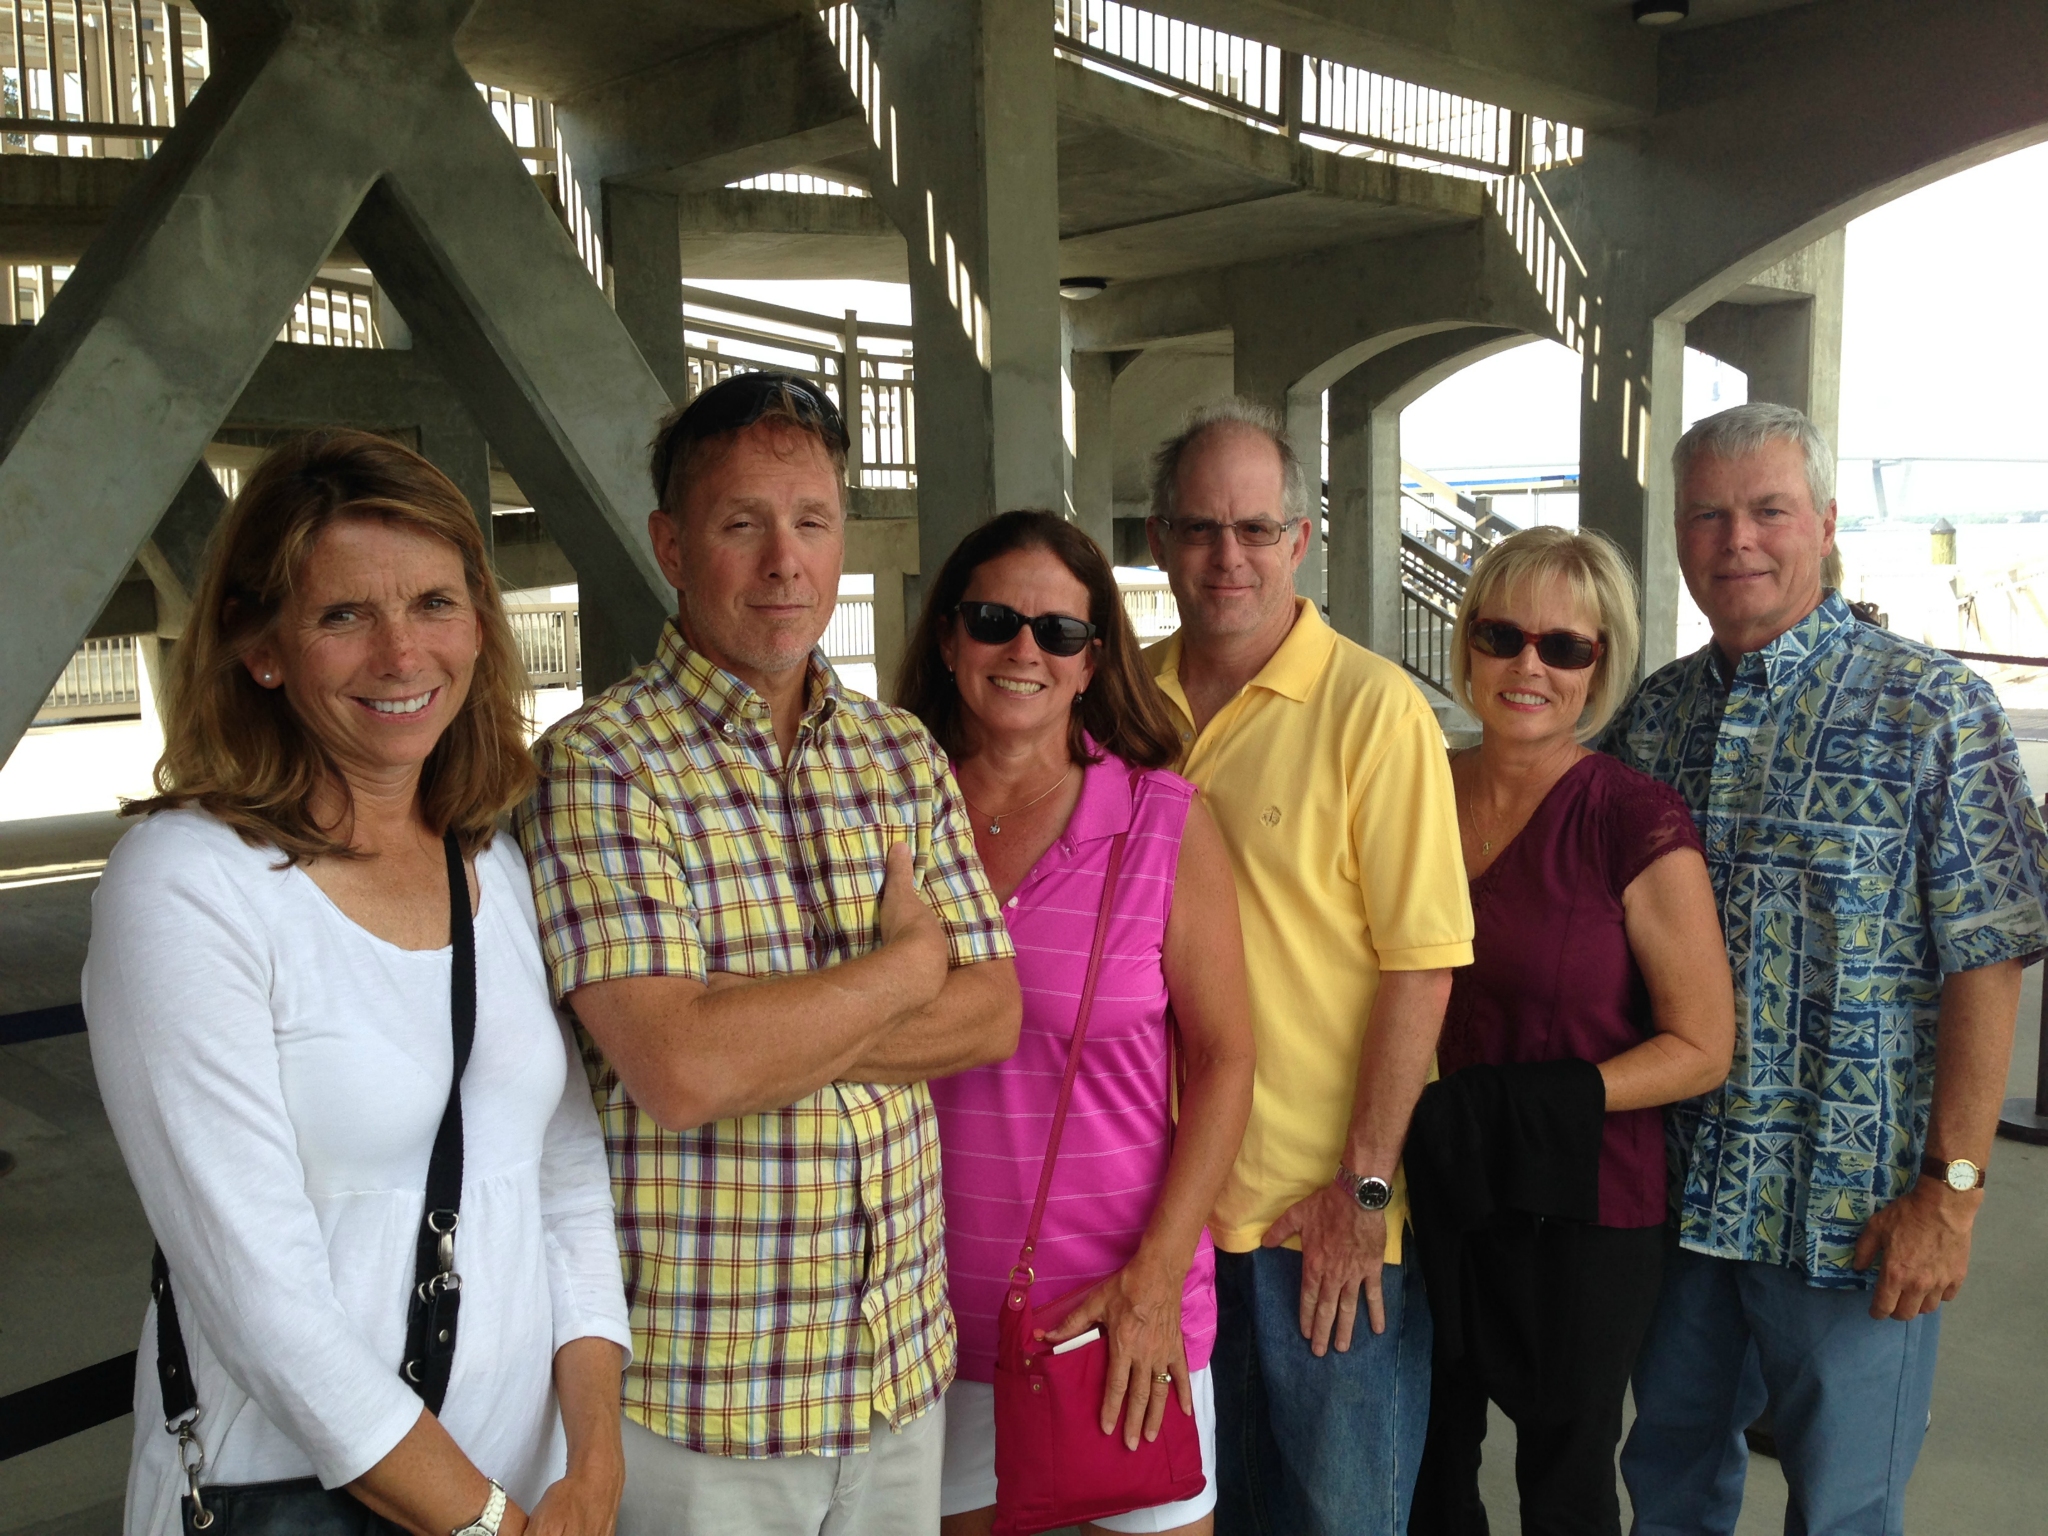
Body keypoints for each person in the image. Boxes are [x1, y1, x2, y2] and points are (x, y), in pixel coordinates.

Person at [85, 430, 632, 1536]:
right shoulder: (190, 884)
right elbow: (261, 1295)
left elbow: (563, 1175)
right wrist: (483, 1520)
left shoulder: (490, 861)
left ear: (479, 624)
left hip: (523, 1486)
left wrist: (594, 1461)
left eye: (434, 603)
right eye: (343, 615)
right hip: (306, 1496)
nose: (400, 654)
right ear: (262, 647)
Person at [516, 372, 1022, 1536]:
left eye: (812, 521)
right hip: (707, 1408)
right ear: (672, 545)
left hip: (897, 1378)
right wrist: (897, 977)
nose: (783, 562)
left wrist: (756, 1030)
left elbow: (990, 1013)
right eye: (742, 524)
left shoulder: (897, 753)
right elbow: (680, 1072)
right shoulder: (602, 764)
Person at [1608, 402, 2048, 1535]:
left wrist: (1948, 1198)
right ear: (1679, 537)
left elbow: (1986, 954)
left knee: (1843, 1511)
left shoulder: (1934, 710)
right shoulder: (1650, 720)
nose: (1736, 540)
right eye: (1708, 515)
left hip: (1850, 1218)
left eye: (1767, 511)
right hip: (1676, 1201)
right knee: (1664, 1489)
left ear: (1824, 523)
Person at [1141, 398, 1475, 1536]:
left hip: (1315, 1224)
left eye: (1251, 528)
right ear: (1157, 542)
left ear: (1298, 540)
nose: (1223, 556)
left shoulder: (1374, 711)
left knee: (1338, 1520)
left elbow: (1419, 970)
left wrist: (1363, 1192)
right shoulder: (1116, 703)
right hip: (1160, 1214)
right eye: (1196, 528)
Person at [896, 510, 1257, 1536]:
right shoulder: (886, 811)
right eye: (993, 620)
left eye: (1057, 632)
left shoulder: (1160, 821)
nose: (1024, 650)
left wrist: (1152, 1284)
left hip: (1118, 1323)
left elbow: (1227, 1062)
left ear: (1093, 661)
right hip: (923, 1331)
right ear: (947, 637)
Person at [1403, 526, 1735, 1536]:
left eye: (1563, 647)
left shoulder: (1630, 819)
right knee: (1424, 1460)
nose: (1526, 667)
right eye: (1502, 635)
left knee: (1563, 1481)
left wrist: (1545, 1097)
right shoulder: (1411, 789)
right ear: (1465, 642)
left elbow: (1702, 1044)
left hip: (1580, 1208)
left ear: (1600, 666)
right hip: (1432, 1187)